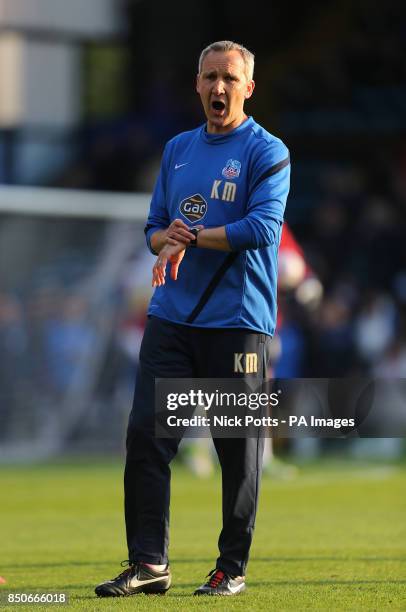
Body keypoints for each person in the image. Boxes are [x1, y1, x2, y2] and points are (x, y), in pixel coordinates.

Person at [95, 39, 290, 598]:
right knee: (146, 440)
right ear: (197, 84)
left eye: (229, 78)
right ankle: (149, 563)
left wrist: (192, 238)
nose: (218, 87)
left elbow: (261, 230)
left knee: (237, 448)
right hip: (172, 319)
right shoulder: (178, 148)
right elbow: (154, 226)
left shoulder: (267, 151)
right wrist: (167, 238)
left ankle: (231, 567)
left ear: (248, 87)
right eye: (209, 77)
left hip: (238, 322)